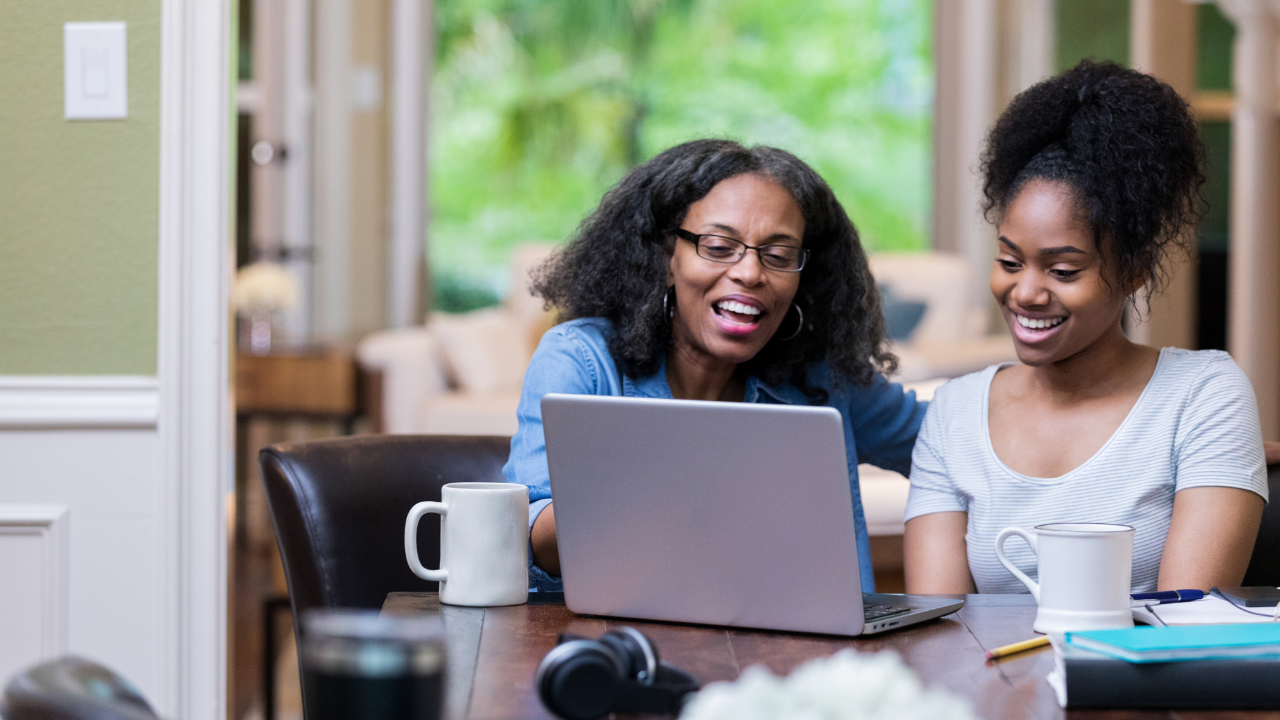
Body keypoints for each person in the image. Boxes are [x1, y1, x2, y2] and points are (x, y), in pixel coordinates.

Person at [903, 61, 1269, 595]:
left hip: (1140, 680)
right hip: (982, 679)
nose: (1025, 292)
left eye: (1063, 270)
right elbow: (938, 629)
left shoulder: (1203, 396)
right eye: (1009, 262)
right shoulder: (954, 415)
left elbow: (1184, 628)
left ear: (1135, 270)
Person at [503, 139, 926, 592]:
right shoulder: (581, 360)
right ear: (667, 258)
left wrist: (1009, 382)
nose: (749, 272)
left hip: (803, 652)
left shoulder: (824, 378)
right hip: (632, 647)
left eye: (779, 255)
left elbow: (947, 441)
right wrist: (661, 481)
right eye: (720, 245)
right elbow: (528, 540)